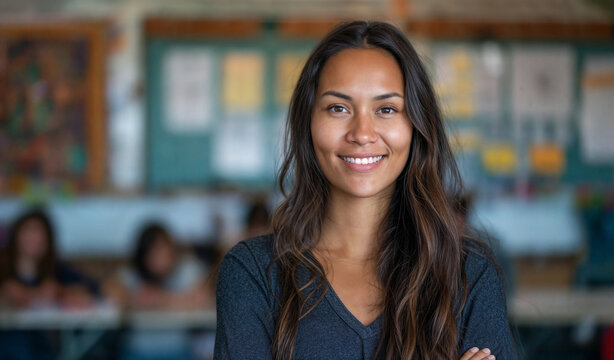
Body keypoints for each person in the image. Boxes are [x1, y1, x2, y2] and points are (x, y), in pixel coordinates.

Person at [215, 21, 516, 360]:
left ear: (416, 125)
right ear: (308, 124)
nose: (362, 132)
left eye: (386, 109)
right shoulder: (254, 274)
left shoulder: (469, 274)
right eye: (338, 108)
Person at [107, 223, 210, 360]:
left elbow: (203, 297)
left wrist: (158, 298)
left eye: (165, 249)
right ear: (143, 255)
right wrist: (132, 299)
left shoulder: (186, 269)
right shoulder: (132, 274)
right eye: (155, 251)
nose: (162, 256)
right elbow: (111, 290)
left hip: (178, 350)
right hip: (138, 351)